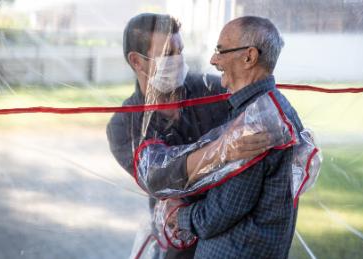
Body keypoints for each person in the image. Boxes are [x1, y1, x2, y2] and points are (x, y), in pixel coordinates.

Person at [106, 13, 271, 258]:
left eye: (180, 51)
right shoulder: (124, 124)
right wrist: (222, 149)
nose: (178, 60)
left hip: (232, 236)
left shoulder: (215, 92)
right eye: (167, 54)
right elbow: (158, 175)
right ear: (136, 61)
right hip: (178, 238)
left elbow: (265, 111)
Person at [170, 16, 304, 258]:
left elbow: (217, 214)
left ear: (249, 57)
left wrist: (177, 214)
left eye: (221, 51)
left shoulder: (257, 121)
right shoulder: (261, 109)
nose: (213, 59)